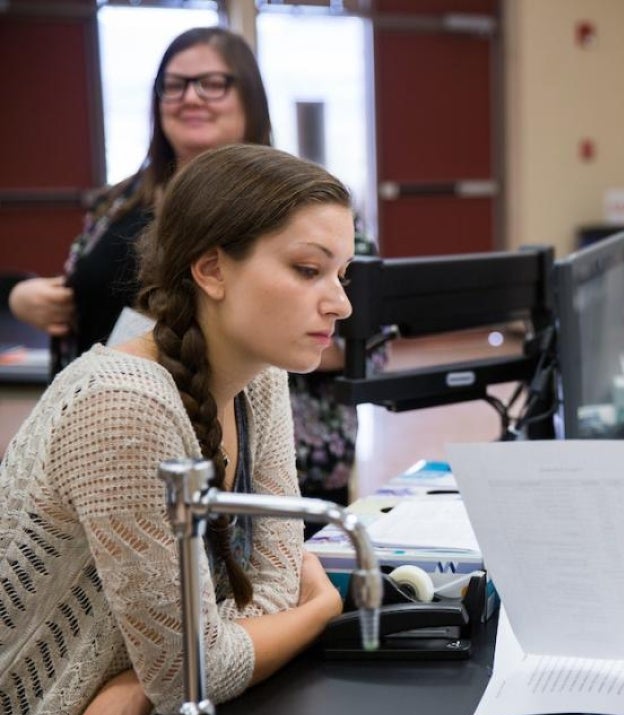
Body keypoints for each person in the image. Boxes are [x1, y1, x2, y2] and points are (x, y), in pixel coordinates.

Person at [0, 143, 353, 715]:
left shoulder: (260, 370)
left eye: (342, 275)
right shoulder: (122, 408)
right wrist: (325, 606)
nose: (340, 305)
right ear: (212, 269)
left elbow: (265, 586)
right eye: (309, 270)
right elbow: (199, 667)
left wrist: (150, 675)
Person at [6, 25, 372, 524]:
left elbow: (363, 331)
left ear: (250, 96)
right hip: (129, 429)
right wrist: (26, 294)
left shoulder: (309, 206)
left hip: (259, 443)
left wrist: (262, 337)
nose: (190, 97)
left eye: (212, 83)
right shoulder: (118, 203)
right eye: (174, 85)